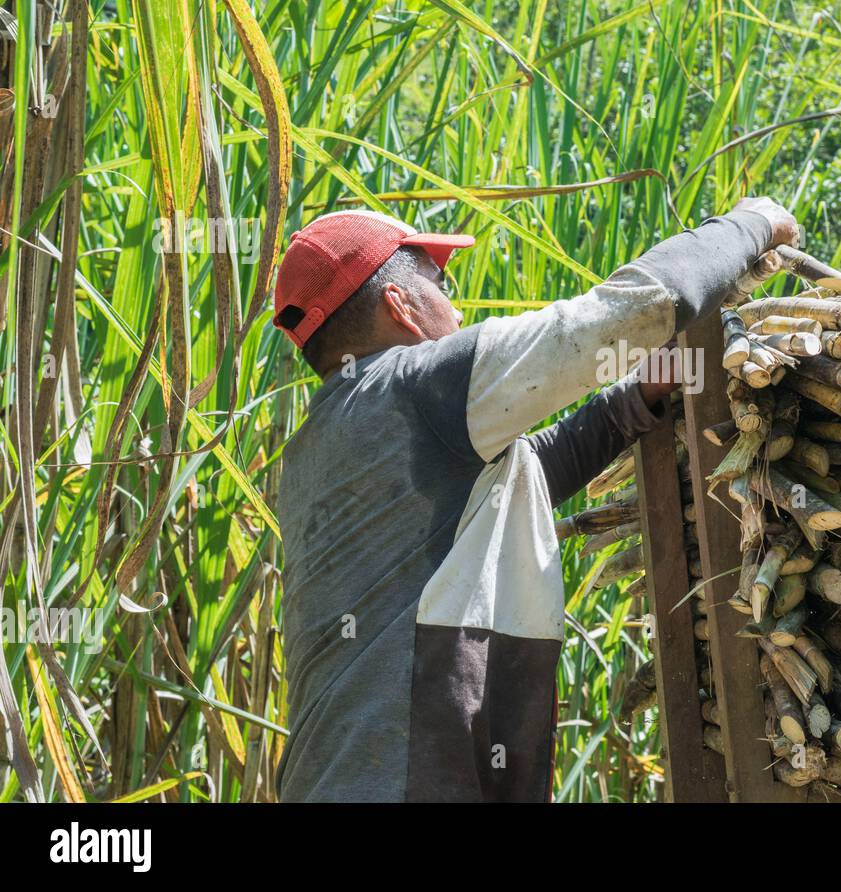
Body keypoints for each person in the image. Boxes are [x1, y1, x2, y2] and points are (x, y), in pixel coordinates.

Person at [271, 198, 799, 801]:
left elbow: (514, 488)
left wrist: (637, 397)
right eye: (441, 284)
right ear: (401, 305)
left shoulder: (320, 443)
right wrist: (748, 227)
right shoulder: (420, 382)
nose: (456, 305)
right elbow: (626, 314)